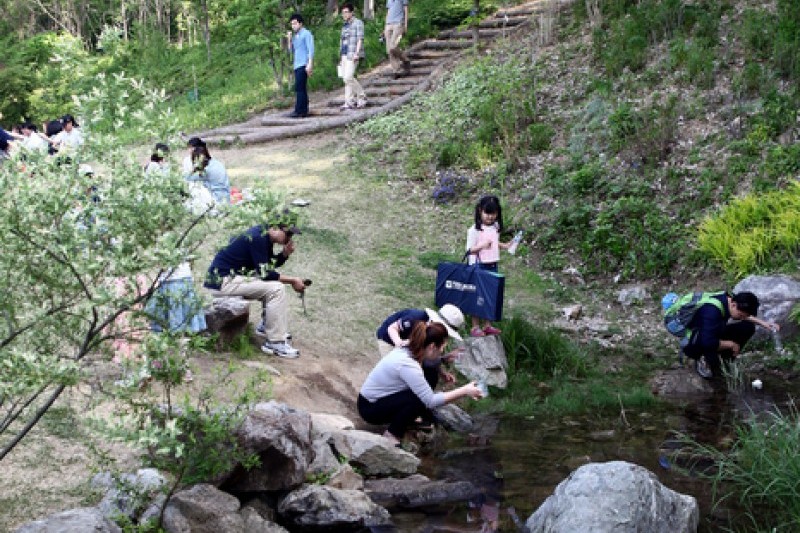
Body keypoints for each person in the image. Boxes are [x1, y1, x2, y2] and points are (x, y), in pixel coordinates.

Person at [359, 321, 484, 445]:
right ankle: (392, 434)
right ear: (431, 346)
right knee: (419, 398)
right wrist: (465, 391)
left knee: (429, 377)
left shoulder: (411, 346)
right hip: (370, 408)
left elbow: (432, 363)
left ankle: (413, 418)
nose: (441, 351)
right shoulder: (407, 364)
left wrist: (444, 365)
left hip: (377, 400)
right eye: (441, 347)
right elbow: (430, 401)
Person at [203, 223, 306, 358]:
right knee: (277, 288)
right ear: (275, 227)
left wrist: (284, 254)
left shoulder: (263, 236)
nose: (289, 238)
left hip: (229, 279)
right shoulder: (257, 237)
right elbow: (266, 274)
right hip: (222, 283)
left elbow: (266, 266)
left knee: (273, 284)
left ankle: (266, 325)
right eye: (288, 234)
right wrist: (293, 280)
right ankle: (275, 343)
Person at [682, 291, 778, 379]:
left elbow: (745, 315)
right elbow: (708, 342)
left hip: (710, 332)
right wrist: (731, 344)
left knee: (748, 327)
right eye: (741, 316)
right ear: (733, 305)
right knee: (715, 370)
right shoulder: (712, 311)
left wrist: (763, 323)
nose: (742, 318)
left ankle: (725, 361)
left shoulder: (728, 299)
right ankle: (703, 360)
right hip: (695, 342)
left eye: (744, 316)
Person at [465, 195, 511, 337]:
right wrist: (482, 246)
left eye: (493, 214)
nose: (490, 217)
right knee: (478, 295)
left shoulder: (495, 227)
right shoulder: (474, 230)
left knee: (490, 294)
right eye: (487, 213)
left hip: (492, 264)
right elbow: (469, 250)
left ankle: (487, 325)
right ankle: (475, 327)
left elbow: (494, 242)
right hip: (479, 266)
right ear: (480, 210)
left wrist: (505, 245)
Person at [339, 3, 367, 110]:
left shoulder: (357, 23)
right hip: (344, 54)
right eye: (343, 12)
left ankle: (362, 96)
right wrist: (341, 57)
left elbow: (360, 38)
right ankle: (349, 101)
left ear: (351, 12)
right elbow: (342, 42)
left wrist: (357, 53)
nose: (344, 14)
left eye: (346, 12)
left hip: (353, 54)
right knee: (346, 79)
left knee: (348, 77)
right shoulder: (344, 25)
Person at [287, 13, 315, 119]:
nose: (293, 26)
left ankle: (300, 110)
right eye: (292, 24)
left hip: (304, 63)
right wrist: (289, 39)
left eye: (295, 23)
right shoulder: (295, 36)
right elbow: (291, 51)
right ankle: (301, 109)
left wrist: (310, 64)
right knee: (300, 87)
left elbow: (310, 49)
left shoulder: (306, 34)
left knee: (300, 87)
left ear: (300, 23)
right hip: (297, 64)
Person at [384, 0, 411, 75]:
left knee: (393, 46)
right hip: (388, 24)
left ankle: (405, 59)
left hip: (398, 23)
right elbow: (388, 11)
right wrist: (385, 27)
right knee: (389, 50)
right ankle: (396, 70)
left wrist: (405, 25)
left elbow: (406, 10)